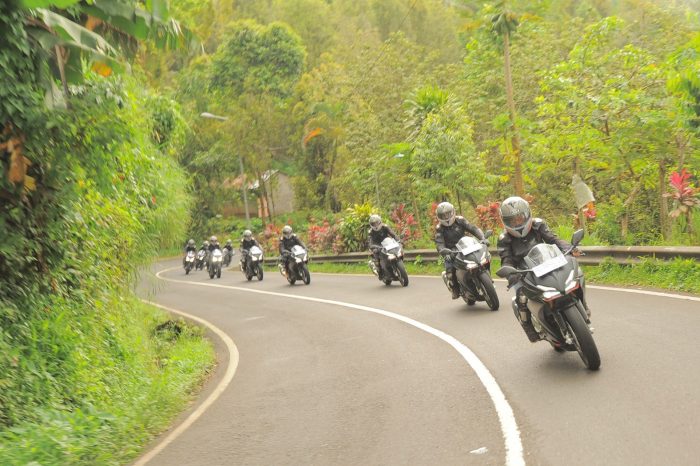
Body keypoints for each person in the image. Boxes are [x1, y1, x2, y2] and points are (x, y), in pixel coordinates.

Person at [497, 196, 586, 342]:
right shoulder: (504, 239)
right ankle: (528, 327)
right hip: (524, 273)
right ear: (505, 221)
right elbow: (506, 259)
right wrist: (510, 273)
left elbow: (554, 240)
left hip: (548, 263)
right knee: (521, 298)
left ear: (527, 214)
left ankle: (583, 305)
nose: (517, 223)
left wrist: (568, 248)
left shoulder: (538, 225)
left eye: (520, 218)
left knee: (576, 275)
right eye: (512, 221)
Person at [434, 201, 486, 300]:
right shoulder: (439, 228)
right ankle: (455, 288)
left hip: (466, 245)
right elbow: (439, 242)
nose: (446, 217)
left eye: (448, 214)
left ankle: (485, 275)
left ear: (453, 212)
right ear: (439, 216)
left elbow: (473, 229)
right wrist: (443, 251)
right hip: (450, 251)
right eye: (443, 215)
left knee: (480, 258)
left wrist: (482, 238)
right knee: (450, 269)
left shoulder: (460, 220)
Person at [368, 214, 400, 279]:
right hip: (377, 245)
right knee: (376, 253)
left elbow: (393, 234)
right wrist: (373, 246)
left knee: (397, 249)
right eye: (373, 223)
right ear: (371, 224)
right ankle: (379, 272)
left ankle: (396, 265)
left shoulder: (385, 227)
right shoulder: (370, 232)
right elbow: (370, 242)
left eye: (377, 222)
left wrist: (398, 240)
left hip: (387, 242)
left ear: (380, 221)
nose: (376, 225)